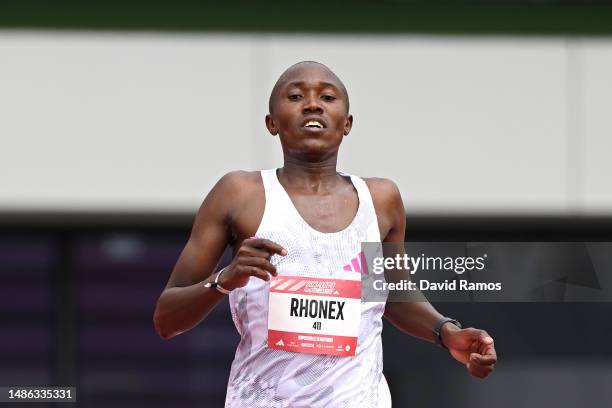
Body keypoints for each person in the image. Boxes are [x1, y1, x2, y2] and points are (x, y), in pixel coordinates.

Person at [153, 61, 497, 407]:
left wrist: (446, 332)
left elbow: (392, 295)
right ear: (271, 123)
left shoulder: (381, 200)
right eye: (296, 95)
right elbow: (167, 319)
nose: (313, 104)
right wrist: (226, 279)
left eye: (328, 96)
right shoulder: (240, 194)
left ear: (347, 123)